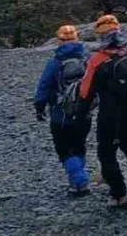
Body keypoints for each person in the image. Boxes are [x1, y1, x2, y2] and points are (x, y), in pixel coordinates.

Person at [77, 14, 127, 207]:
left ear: (100, 35)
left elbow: (85, 92)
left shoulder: (98, 60)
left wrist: (81, 114)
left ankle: (120, 195)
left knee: (106, 152)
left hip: (110, 114)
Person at [34, 24, 92, 195]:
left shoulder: (55, 63)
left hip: (60, 114)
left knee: (64, 150)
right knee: (79, 146)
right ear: (77, 38)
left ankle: (79, 181)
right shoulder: (88, 59)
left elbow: (43, 86)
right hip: (83, 112)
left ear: (59, 41)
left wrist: (39, 107)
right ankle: (80, 182)